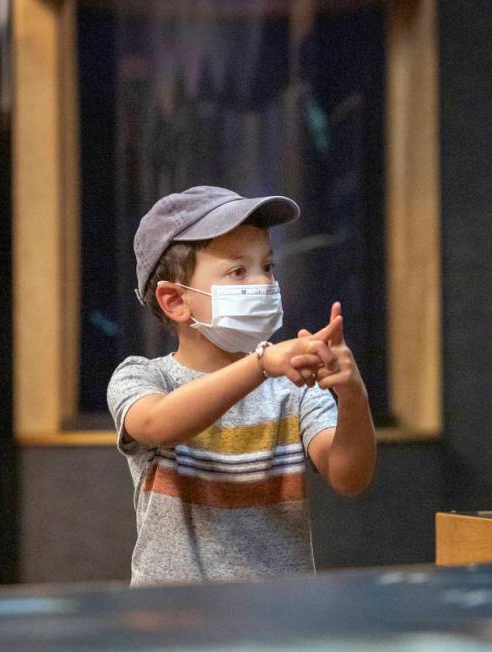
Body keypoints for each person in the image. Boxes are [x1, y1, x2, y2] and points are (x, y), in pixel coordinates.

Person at [107, 185, 376, 586]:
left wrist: (352, 394)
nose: (264, 283)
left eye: (266, 266)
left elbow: (349, 477)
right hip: (171, 626)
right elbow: (159, 423)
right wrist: (262, 364)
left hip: (278, 620)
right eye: (238, 271)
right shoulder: (143, 376)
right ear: (175, 301)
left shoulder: (294, 388)